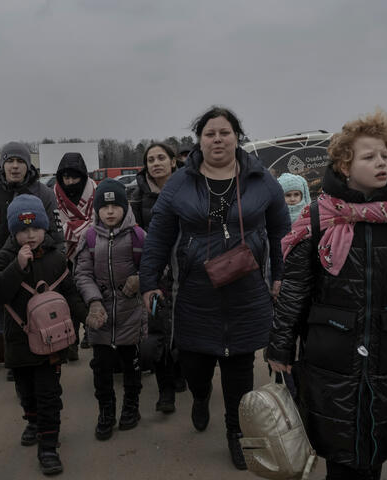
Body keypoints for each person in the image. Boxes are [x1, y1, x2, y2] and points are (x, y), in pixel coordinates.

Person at [267, 109, 387, 480]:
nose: (381, 163)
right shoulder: (318, 219)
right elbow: (295, 291)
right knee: (339, 452)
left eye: (386, 156)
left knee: (375, 450)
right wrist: (279, 347)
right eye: (369, 157)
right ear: (344, 164)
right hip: (330, 358)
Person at [139, 106, 291, 469]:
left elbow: (282, 231)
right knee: (195, 364)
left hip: (246, 288)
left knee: (239, 366)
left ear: (237, 136)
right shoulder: (180, 182)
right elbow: (158, 235)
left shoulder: (259, 178)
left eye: (225, 132)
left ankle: (236, 434)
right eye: (210, 134)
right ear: (199, 140)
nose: (218, 139)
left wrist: (280, 275)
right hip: (196, 289)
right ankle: (202, 396)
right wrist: (149, 281)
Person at [0, 194, 85, 476]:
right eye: (22, 230)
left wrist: (86, 316)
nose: (30, 235)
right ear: (13, 231)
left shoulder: (56, 257)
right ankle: (31, 420)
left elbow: (69, 293)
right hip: (19, 342)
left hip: (51, 342)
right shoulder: (4, 257)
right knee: (26, 392)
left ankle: (48, 446)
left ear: (45, 228)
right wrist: (17, 266)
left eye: (35, 229)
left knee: (48, 394)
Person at [0, 141, 61, 377]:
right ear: (2, 164)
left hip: (37, 269)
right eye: (10, 161)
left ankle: (46, 356)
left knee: (38, 315)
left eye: (20, 162)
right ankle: (16, 363)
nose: (15, 167)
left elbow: (57, 233)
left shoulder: (43, 193)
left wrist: (53, 258)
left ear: (28, 165)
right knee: (7, 320)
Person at [74, 179, 148, 441]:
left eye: (115, 206)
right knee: (101, 367)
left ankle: (131, 406)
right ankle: (106, 411)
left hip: (131, 311)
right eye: (104, 207)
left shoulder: (138, 236)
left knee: (131, 364)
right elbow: (81, 273)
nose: (109, 212)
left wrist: (139, 279)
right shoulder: (90, 237)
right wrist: (93, 301)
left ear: (125, 207)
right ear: (97, 211)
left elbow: (153, 267)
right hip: (100, 315)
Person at [129, 142, 184, 413]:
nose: (156, 163)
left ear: (173, 161)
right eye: (151, 159)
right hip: (156, 274)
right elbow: (135, 237)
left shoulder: (190, 188)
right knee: (158, 332)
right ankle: (165, 393)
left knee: (187, 330)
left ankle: (183, 374)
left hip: (187, 272)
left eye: (162, 157)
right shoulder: (137, 195)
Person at [53, 152, 97, 355]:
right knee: (68, 297)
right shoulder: (53, 194)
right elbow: (55, 225)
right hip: (63, 254)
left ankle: (90, 331)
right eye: (66, 178)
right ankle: (72, 338)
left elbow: (98, 222)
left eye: (74, 177)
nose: (69, 182)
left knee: (90, 293)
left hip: (93, 252)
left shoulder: (95, 191)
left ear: (83, 176)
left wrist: (70, 229)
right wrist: (80, 228)